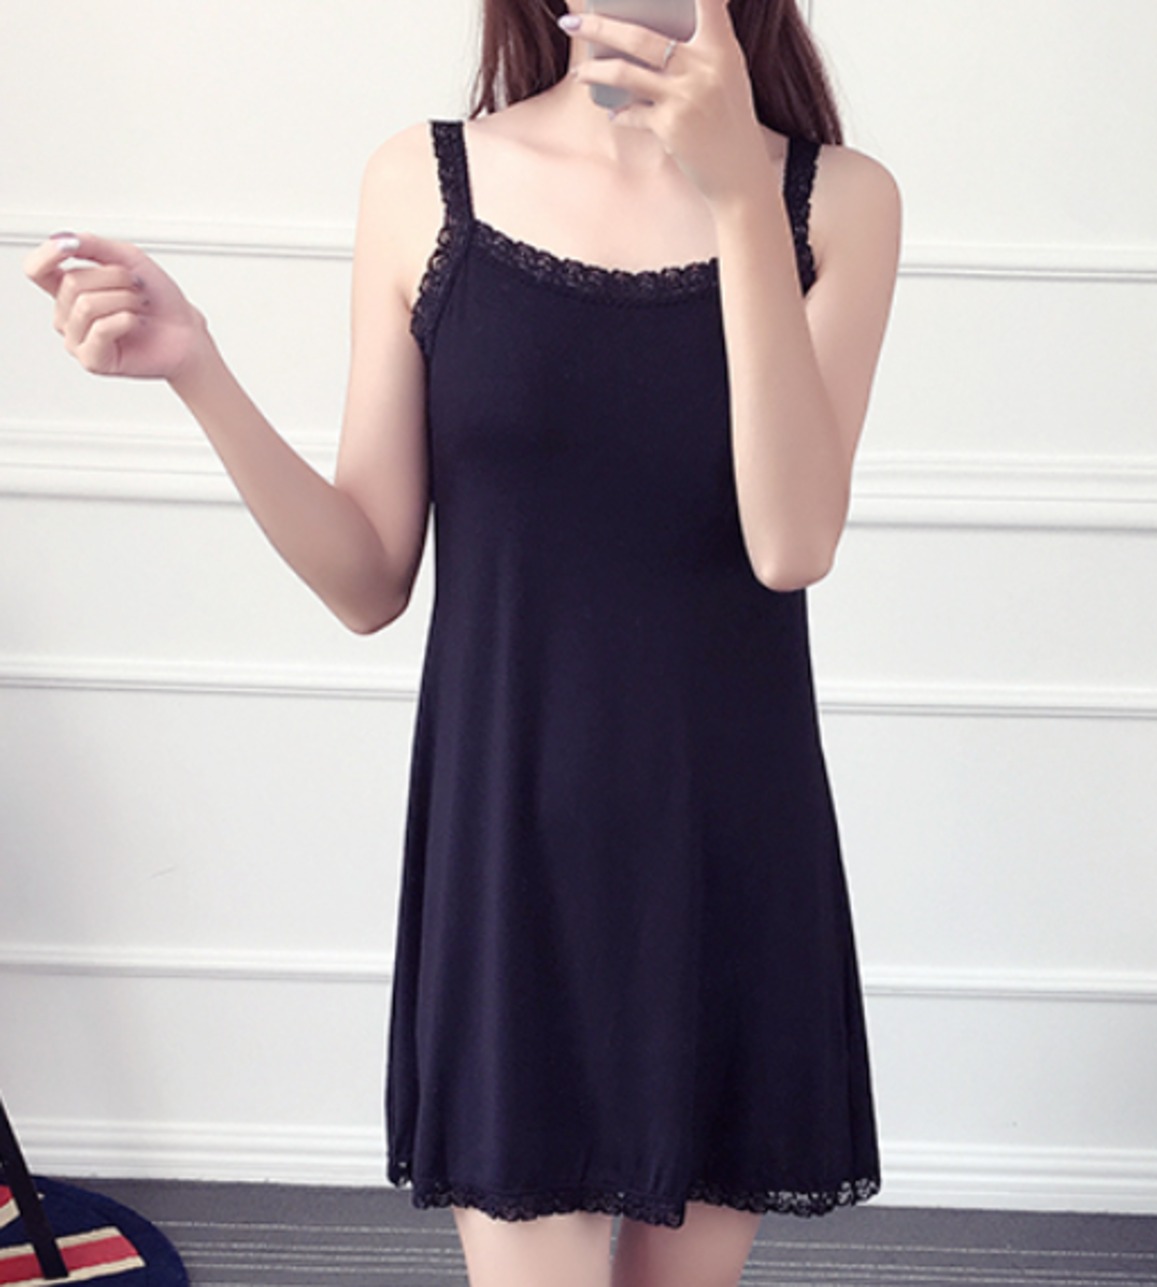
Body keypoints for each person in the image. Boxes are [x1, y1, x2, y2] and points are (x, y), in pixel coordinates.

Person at [24, 0, 901, 1282]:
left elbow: (791, 540)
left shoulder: (839, 203)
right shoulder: (421, 183)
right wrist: (196, 367)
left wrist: (735, 202)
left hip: (728, 854)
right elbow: (366, 578)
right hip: (511, 861)